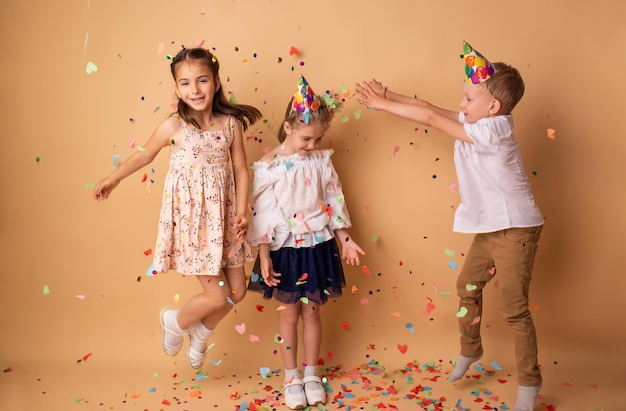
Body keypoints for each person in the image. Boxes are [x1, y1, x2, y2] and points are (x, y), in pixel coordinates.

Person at [355, 42, 544, 411]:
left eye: (469, 99)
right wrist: (386, 94)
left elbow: (428, 120)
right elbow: (427, 108)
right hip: (491, 227)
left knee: (514, 309)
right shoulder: (477, 122)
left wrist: (381, 106)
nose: (461, 105)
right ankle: (470, 350)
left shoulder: (496, 131)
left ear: (493, 108)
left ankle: (530, 383)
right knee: (467, 286)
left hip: (516, 229)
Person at [93, 47, 262, 369]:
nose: (194, 90)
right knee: (216, 296)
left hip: (225, 219)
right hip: (193, 221)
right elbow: (143, 156)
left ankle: (201, 331)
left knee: (237, 292)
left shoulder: (230, 125)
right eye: (185, 83)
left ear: (216, 82)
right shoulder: (174, 127)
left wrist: (242, 211)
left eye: (201, 81)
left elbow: (241, 169)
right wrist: (112, 179)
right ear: (176, 88)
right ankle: (175, 322)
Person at [247, 76, 365, 410]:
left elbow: (333, 201)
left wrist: (345, 239)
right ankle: (291, 377)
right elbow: (263, 214)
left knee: (312, 312)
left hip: (316, 245)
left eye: (318, 139)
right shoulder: (269, 168)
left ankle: (312, 373)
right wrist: (264, 256)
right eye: (306, 138)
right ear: (288, 127)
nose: (312, 145)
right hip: (285, 249)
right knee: (288, 314)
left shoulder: (321, 162)